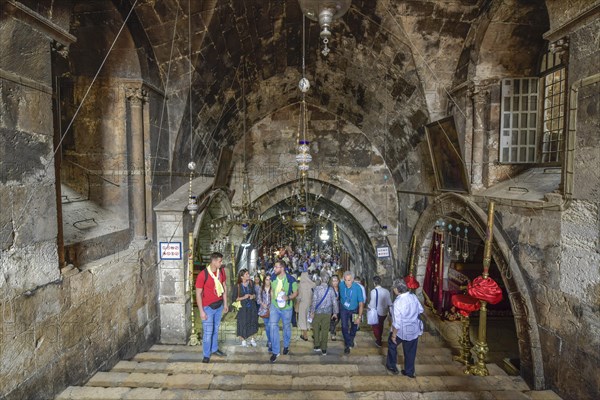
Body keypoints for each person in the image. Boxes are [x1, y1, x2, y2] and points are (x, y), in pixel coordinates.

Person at [386, 279, 424, 377]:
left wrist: (394, 335)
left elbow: (397, 323)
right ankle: (409, 372)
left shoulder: (398, 302)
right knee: (410, 351)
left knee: (391, 344)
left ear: (396, 290)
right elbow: (421, 310)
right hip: (414, 329)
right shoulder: (413, 297)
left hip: (402, 330)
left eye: (394, 288)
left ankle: (392, 366)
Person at [195, 252, 228, 363]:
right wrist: (201, 311)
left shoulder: (221, 271)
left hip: (219, 306)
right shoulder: (203, 275)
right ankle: (206, 354)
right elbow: (198, 294)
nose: (221, 263)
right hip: (208, 308)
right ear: (213, 261)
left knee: (215, 329)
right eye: (220, 261)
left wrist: (225, 303)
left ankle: (214, 349)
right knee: (208, 332)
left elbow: (224, 287)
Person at [269, 260, 298, 362]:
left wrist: (288, 297)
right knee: (272, 326)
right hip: (275, 306)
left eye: (276, 267)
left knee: (286, 326)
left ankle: (286, 345)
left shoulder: (291, 280)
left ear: (282, 268)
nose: (274, 269)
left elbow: (296, 293)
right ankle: (275, 351)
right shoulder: (272, 277)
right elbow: (272, 289)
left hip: (287, 308)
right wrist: (272, 299)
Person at [309, 271, 338, 355]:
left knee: (316, 329)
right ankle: (324, 349)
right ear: (328, 279)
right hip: (327, 313)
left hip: (317, 312)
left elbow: (314, 301)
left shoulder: (317, 289)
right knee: (325, 330)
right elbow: (334, 302)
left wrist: (312, 311)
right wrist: (335, 313)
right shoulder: (331, 290)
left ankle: (317, 345)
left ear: (321, 279)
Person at [339, 271, 364, 354]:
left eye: (349, 280)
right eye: (345, 280)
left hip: (355, 310)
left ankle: (351, 339)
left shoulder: (358, 288)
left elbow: (361, 303)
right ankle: (348, 343)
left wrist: (359, 317)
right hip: (344, 308)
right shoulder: (341, 285)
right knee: (344, 326)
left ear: (352, 280)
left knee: (354, 326)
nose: (347, 282)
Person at [232, 269, 259, 347]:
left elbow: (255, 294)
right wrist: (243, 297)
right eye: (246, 274)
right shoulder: (237, 286)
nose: (248, 275)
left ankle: (252, 340)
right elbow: (234, 299)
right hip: (243, 308)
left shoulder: (251, 283)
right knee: (242, 323)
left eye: (248, 274)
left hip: (252, 307)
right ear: (242, 277)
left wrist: (252, 296)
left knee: (253, 322)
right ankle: (243, 340)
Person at [368, 275, 392, 347]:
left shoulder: (373, 291)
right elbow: (389, 302)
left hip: (377, 312)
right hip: (384, 312)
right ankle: (379, 338)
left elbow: (372, 303)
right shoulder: (386, 291)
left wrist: (369, 307)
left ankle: (378, 340)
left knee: (375, 326)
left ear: (374, 283)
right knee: (380, 325)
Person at [297, 270, 315, 341]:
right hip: (311, 304)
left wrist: (297, 304)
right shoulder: (313, 284)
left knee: (302, 319)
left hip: (303, 304)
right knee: (310, 319)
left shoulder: (301, 284)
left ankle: (305, 336)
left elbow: (299, 296)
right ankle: (314, 334)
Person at [257, 274, 272, 351]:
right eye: (266, 279)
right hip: (264, 310)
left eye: (269, 279)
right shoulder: (261, 288)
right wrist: (263, 304)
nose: (268, 281)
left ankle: (270, 341)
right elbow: (258, 299)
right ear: (264, 280)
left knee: (271, 326)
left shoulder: (273, 288)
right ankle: (270, 341)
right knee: (267, 327)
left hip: (272, 310)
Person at [329, 275, 341, 341]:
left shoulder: (340, 288)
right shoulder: (330, 289)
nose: (335, 282)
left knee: (337, 319)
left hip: (339, 306)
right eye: (333, 281)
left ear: (338, 281)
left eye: (336, 281)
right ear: (331, 282)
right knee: (333, 320)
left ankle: (332, 329)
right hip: (332, 307)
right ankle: (332, 334)